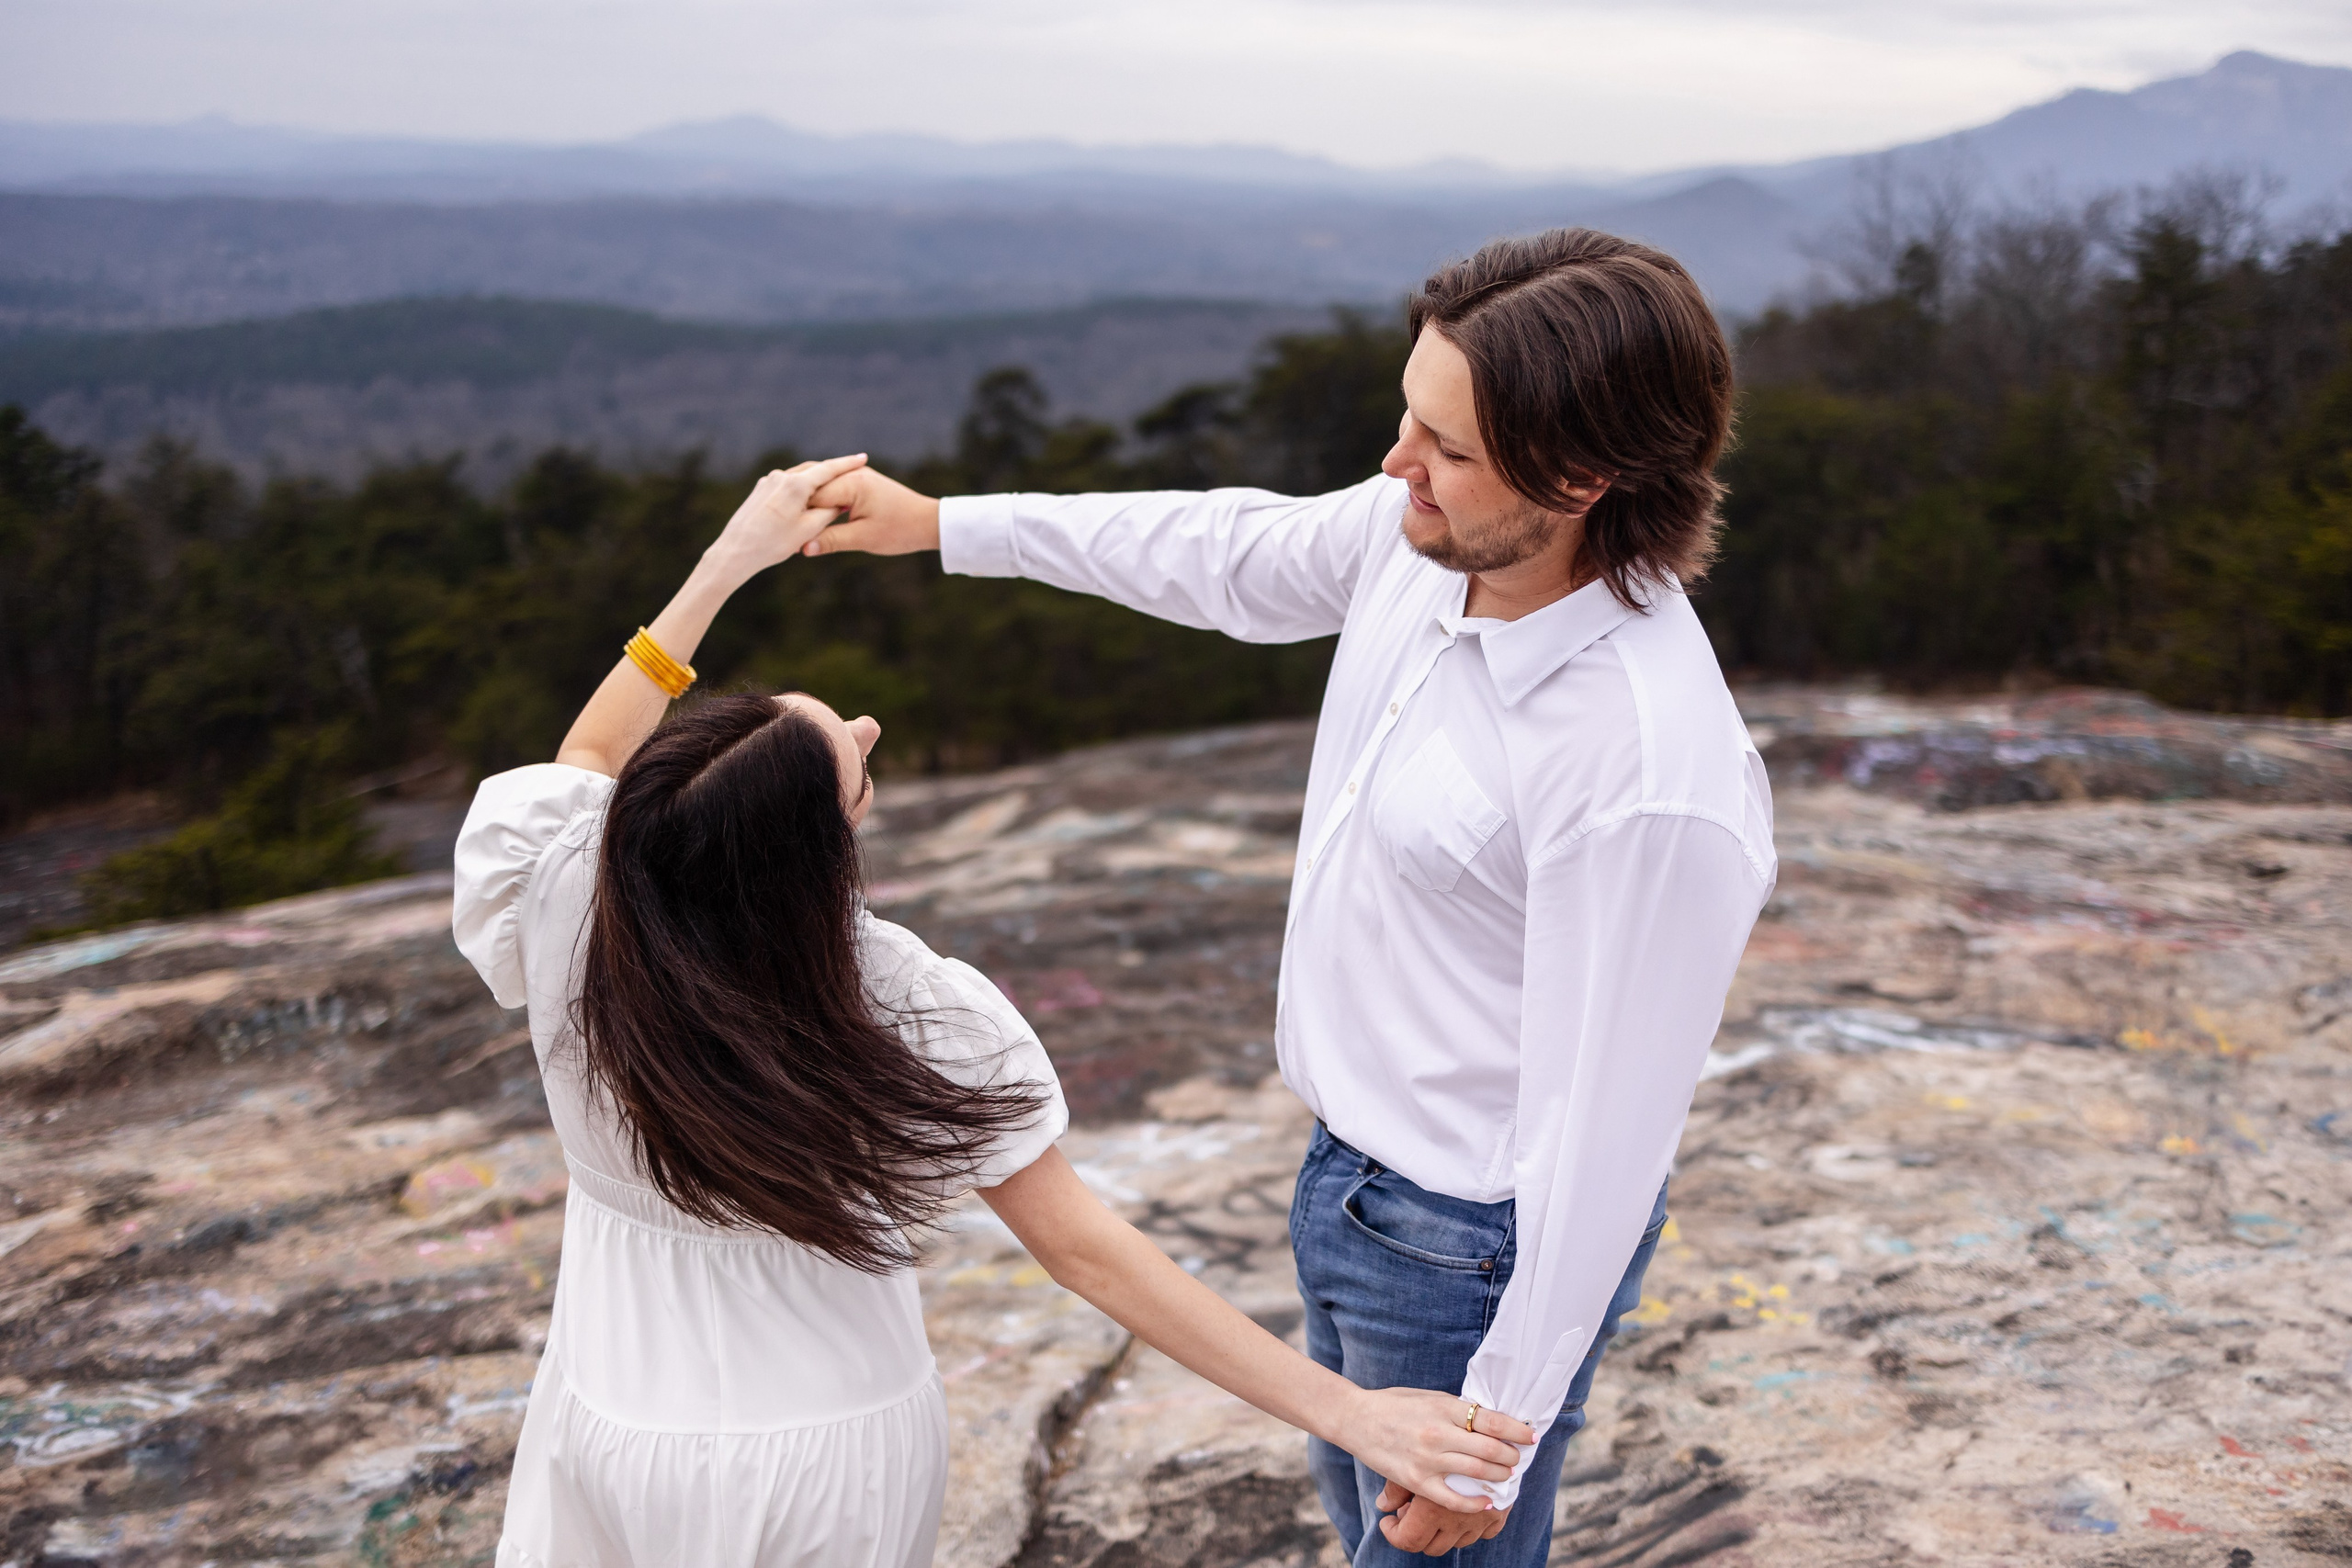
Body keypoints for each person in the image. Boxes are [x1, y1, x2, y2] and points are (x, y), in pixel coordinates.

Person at [802, 228, 1777, 1562]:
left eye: (1446, 447)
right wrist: (944, 526)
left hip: (1468, 1251)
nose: (1395, 466)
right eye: (1407, 418)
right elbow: (1225, 551)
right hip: (1350, 1188)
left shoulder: (1646, 766)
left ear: (1583, 474)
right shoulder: (1426, 541)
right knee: (1354, 1519)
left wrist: (1502, 1426)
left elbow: (1608, 1132)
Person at [450, 455, 1531, 1568]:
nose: (869, 728)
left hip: (606, 1416)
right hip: (822, 1458)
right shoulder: (905, 1004)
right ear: (810, 868)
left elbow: (590, 752)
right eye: (849, 768)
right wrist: (1351, 1413)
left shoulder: (569, 886)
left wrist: (730, 561)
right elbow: (1087, 1255)